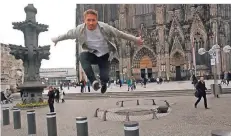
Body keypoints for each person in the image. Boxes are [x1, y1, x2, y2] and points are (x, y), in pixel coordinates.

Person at [51, 9, 143, 94]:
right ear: (84, 20)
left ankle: (103, 84)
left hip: (104, 56)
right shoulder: (80, 29)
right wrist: (57, 39)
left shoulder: (104, 27)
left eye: (93, 20)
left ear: (97, 20)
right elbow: (68, 34)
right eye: (88, 20)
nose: (91, 23)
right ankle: (93, 81)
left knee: (105, 77)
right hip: (93, 54)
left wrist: (135, 39)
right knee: (82, 57)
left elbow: (119, 34)